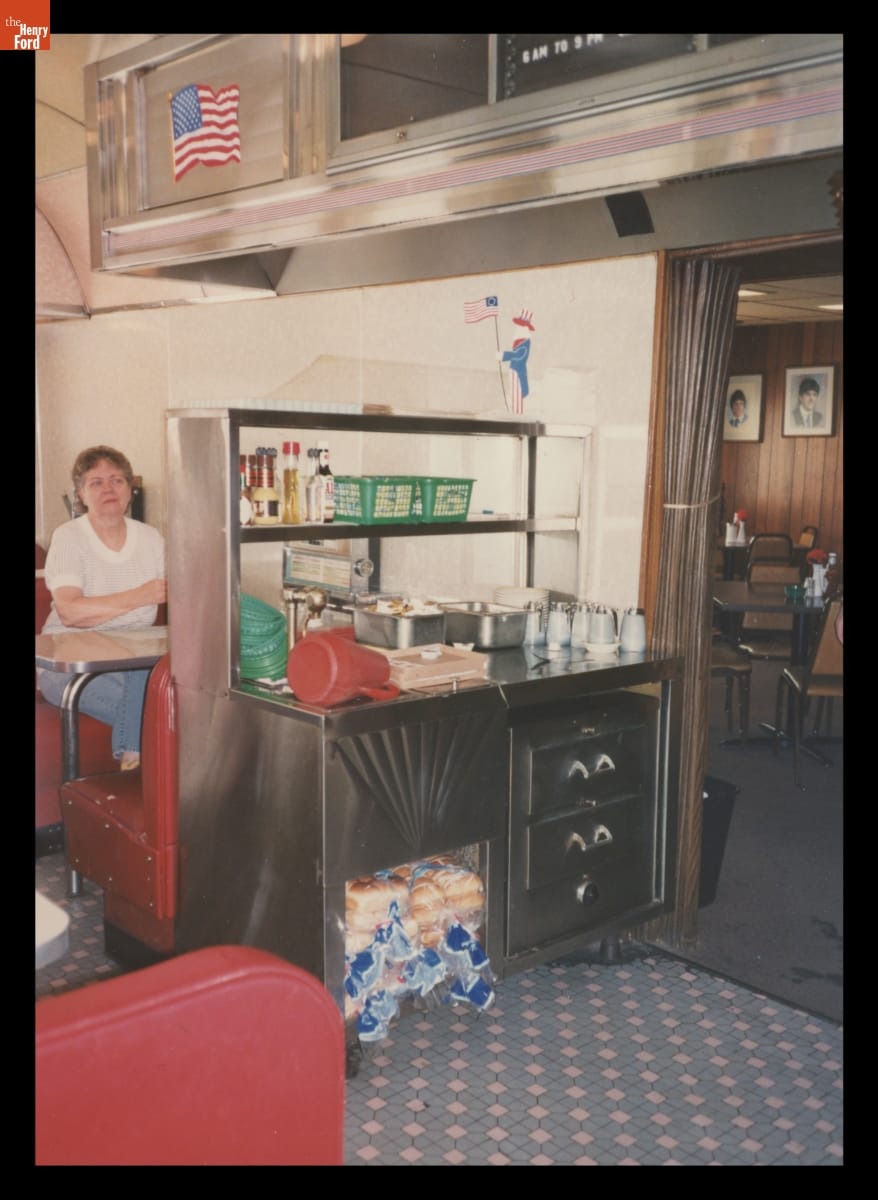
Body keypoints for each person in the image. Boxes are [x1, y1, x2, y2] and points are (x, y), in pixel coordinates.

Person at [38, 446, 167, 772]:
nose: (108, 489)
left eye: (117, 480)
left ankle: (133, 761)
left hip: (133, 663)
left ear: (130, 489)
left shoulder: (151, 539)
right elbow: (71, 612)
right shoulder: (68, 537)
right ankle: (138, 764)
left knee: (158, 683)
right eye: (96, 482)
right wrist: (140, 595)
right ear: (81, 494)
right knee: (160, 707)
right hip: (69, 668)